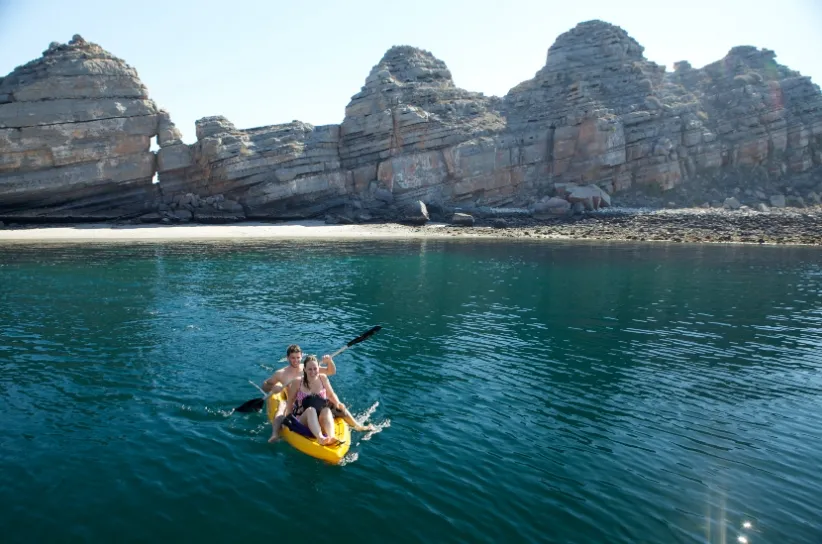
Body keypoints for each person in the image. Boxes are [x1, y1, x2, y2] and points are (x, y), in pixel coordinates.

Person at [263, 344, 373, 442]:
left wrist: (329, 361)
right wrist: (273, 388)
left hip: (315, 400)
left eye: (297, 357)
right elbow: (266, 385)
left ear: (301, 356)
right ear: (287, 358)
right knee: (281, 407)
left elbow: (330, 372)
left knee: (339, 407)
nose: (295, 360)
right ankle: (275, 433)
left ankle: (358, 426)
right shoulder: (281, 374)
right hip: (295, 401)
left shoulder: (308, 367)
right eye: (292, 358)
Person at [282, 355, 347, 446]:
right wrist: (288, 419)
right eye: (309, 369)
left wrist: (337, 403)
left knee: (327, 410)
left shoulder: (322, 378)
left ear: (318, 368)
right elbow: (290, 401)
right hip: (303, 419)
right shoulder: (297, 381)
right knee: (310, 410)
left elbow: (331, 394)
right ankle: (320, 438)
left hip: (319, 419)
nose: (313, 372)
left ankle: (331, 437)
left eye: (315, 368)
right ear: (304, 369)